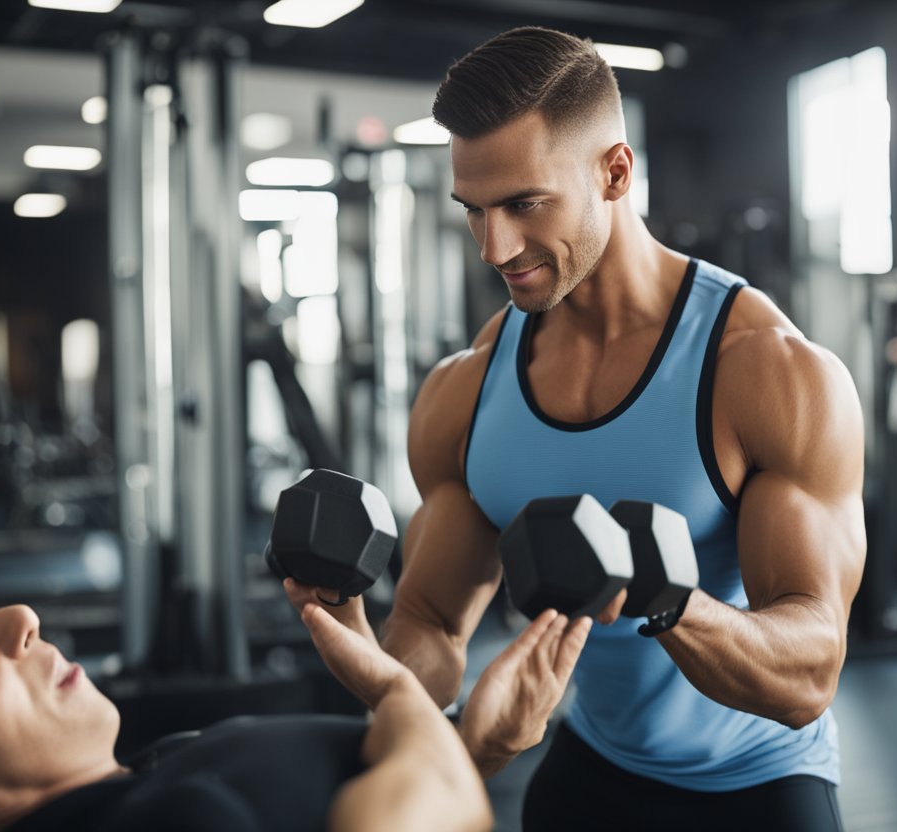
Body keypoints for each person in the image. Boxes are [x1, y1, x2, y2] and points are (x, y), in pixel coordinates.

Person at [286, 25, 866, 831]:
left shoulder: (764, 371)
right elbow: (434, 629)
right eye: (474, 211)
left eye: (524, 203)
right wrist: (365, 651)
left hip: (757, 785)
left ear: (615, 171)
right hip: (591, 766)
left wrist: (663, 596)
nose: (495, 247)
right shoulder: (465, 390)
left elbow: (807, 675)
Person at [0, 566, 590, 831]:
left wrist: (474, 743)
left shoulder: (136, 782)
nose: (20, 620)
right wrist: (391, 687)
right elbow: (438, 820)